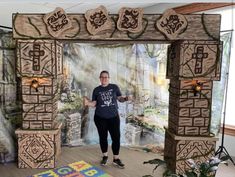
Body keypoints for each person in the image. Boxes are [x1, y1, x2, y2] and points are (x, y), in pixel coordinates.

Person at [84, 70, 131, 169]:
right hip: (100, 118)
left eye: (106, 77)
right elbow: (94, 104)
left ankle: (116, 159)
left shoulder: (114, 87)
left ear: (109, 78)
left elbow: (120, 99)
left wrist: (126, 98)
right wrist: (88, 103)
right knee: (103, 137)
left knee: (116, 138)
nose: (104, 79)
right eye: (102, 77)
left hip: (113, 117)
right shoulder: (96, 90)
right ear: (100, 78)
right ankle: (105, 156)